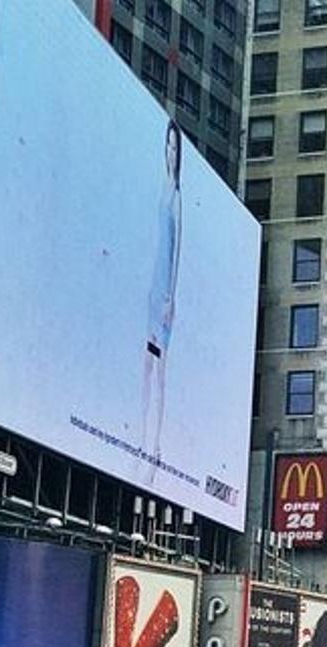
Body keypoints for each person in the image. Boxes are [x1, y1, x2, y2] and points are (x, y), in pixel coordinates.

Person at [141, 119, 182, 484]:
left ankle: (155, 446)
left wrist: (171, 297)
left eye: (175, 147)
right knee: (145, 369)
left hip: (165, 296)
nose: (170, 152)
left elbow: (177, 248)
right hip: (153, 291)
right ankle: (141, 440)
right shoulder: (160, 187)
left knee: (161, 374)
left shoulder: (178, 195)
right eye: (167, 146)